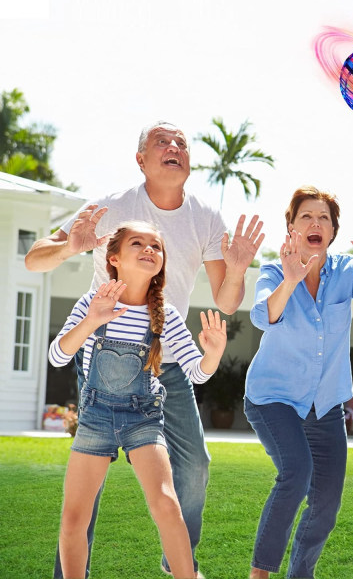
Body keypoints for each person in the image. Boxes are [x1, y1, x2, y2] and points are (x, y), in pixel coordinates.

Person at [25, 121, 263, 579]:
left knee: (193, 468)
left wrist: (235, 271)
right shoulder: (111, 206)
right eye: (162, 141)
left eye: (181, 143)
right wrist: (69, 247)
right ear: (141, 159)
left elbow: (227, 301)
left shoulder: (206, 218)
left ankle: (180, 567)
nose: (174, 147)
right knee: (81, 499)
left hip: (166, 357)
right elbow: (36, 258)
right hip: (101, 355)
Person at [49, 221, 227, 579]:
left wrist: (213, 354)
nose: (149, 249)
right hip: (95, 418)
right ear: (113, 258)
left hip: (142, 419)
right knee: (73, 518)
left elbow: (196, 372)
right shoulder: (92, 302)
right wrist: (91, 321)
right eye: (138, 243)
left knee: (166, 502)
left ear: (162, 263)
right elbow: (57, 355)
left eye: (156, 246)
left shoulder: (167, 315)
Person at [244, 186, 353, 579]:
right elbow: (264, 316)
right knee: (296, 473)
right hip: (273, 398)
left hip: (325, 404)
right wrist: (292, 279)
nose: (315, 223)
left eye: (323, 218)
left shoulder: (347, 270)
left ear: (332, 231)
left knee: (326, 502)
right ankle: (259, 575)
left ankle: (301, 575)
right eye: (306, 217)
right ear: (291, 227)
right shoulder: (275, 271)